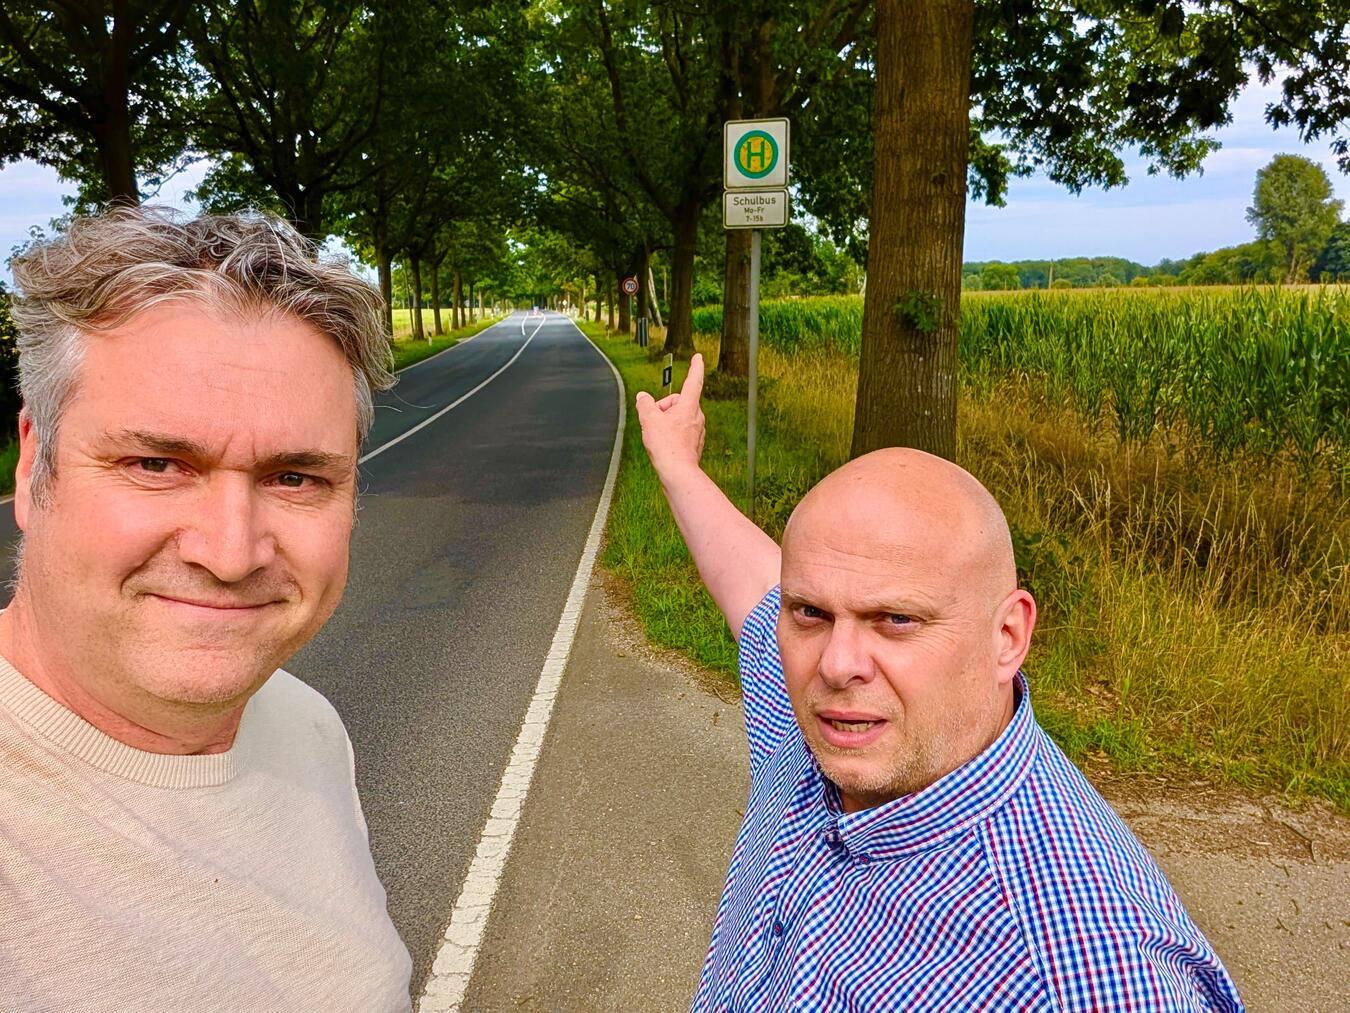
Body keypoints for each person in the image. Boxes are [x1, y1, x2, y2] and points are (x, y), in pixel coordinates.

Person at [636, 354, 1243, 1011]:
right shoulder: (833, 721)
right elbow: (758, 586)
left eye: (895, 619)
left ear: (1007, 636)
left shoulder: (1085, 977)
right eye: (812, 611)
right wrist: (678, 465)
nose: (837, 664)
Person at [0, 208, 412, 1011]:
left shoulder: (305, 724)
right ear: (33, 466)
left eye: (296, 478)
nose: (230, 552)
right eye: (156, 462)